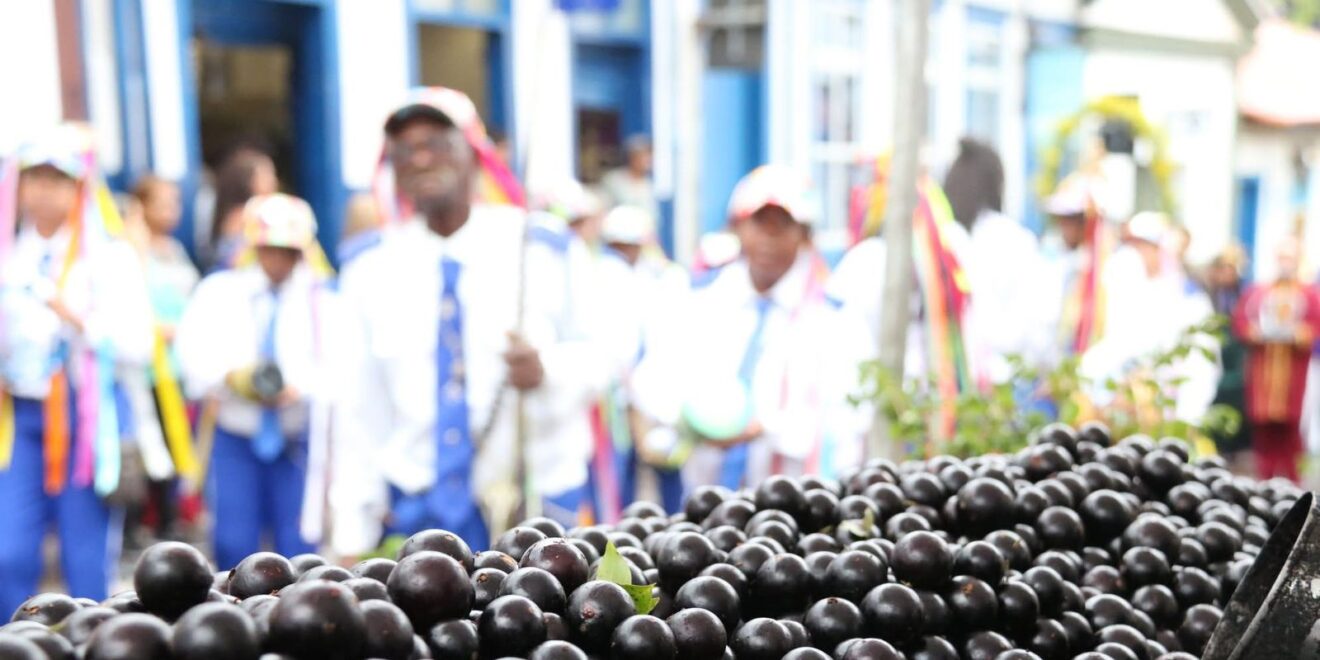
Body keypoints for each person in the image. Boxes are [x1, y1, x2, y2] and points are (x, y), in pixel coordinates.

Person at [332, 87, 610, 555]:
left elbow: (603, 355)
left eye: (437, 143)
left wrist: (547, 371)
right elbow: (358, 410)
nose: (421, 159)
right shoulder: (369, 269)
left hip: (532, 505)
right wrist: (351, 533)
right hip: (418, 509)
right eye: (404, 150)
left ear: (474, 152)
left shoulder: (540, 246)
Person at [632, 165, 871, 490]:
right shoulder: (697, 299)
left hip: (792, 498)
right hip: (704, 492)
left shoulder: (835, 318)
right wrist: (694, 418)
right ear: (737, 227)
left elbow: (851, 417)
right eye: (759, 223)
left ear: (804, 235)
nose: (768, 239)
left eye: (782, 226)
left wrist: (767, 427)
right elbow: (652, 380)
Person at [0, 125, 154, 611]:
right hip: (18, 417)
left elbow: (139, 346)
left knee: (85, 558)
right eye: (35, 177)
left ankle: (91, 640)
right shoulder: (8, 254)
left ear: (79, 187)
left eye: (57, 179)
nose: (44, 190)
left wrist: (78, 321)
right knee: (8, 552)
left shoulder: (109, 257)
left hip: (86, 421)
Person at [174, 193, 350, 568]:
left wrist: (299, 388)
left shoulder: (324, 299)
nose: (278, 260)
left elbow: (343, 368)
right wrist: (232, 377)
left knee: (299, 549)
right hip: (236, 437)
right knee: (233, 543)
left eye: (288, 251)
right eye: (270, 249)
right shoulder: (220, 291)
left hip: (296, 441)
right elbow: (192, 356)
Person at [599, 205, 689, 513]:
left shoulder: (662, 277)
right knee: (621, 473)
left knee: (667, 466)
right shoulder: (606, 277)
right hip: (619, 395)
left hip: (656, 393)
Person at [125, 175, 201, 542]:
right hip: (145, 369)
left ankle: (169, 520)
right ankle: (143, 521)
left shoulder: (176, 250)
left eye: (175, 203)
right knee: (147, 444)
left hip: (176, 367)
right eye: (163, 203)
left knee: (175, 442)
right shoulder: (131, 251)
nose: (172, 211)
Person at [943, 138, 1050, 381]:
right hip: (1006, 377)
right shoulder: (1014, 238)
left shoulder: (942, 239)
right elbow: (1037, 321)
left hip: (950, 377)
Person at [1232, 241, 1320, 482]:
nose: (1285, 263)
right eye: (1282, 257)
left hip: (1294, 371)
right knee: (1263, 429)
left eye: (1290, 258)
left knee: (1292, 430)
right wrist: (1253, 332)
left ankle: (1292, 482)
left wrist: (1300, 334)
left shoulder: (1309, 294)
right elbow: (1240, 322)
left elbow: (1314, 325)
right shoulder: (1258, 292)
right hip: (1263, 371)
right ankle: (1266, 478)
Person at [1207, 245, 1251, 469]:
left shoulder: (1243, 294)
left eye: (1231, 268)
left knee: (1236, 401)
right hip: (1215, 353)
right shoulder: (1208, 294)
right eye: (1223, 267)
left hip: (1236, 356)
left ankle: (1235, 448)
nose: (1227, 273)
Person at [206, 146, 279, 272]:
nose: (273, 180)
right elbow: (230, 260)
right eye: (267, 174)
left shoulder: (267, 207)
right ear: (249, 181)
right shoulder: (245, 214)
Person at [600, 135, 659, 227]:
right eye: (643, 156)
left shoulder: (649, 184)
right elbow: (603, 210)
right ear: (632, 158)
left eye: (649, 156)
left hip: (642, 233)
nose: (647, 161)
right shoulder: (614, 180)